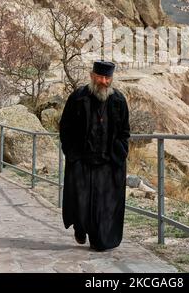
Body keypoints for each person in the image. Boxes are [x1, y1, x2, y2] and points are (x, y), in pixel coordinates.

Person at [59, 60, 130, 251]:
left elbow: (125, 131)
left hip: (108, 163)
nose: (104, 81)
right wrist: (71, 152)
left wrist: (120, 152)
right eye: (100, 77)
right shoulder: (78, 98)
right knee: (81, 201)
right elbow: (65, 127)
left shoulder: (118, 100)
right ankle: (80, 228)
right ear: (92, 76)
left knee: (104, 205)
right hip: (82, 160)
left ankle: (100, 240)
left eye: (107, 78)